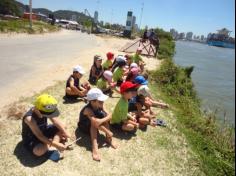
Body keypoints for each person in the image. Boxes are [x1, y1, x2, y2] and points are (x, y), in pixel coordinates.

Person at [22, 94, 72, 159]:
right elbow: (39, 135)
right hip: (32, 138)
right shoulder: (29, 119)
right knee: (38, 151)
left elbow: (55, 121)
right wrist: (56, 145)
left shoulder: (44, 110)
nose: (48, 116)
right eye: (46, 114)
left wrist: (65, 132)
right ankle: (52, 143)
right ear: (37, 109)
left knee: (63, 126)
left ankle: (51, 144)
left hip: (44, 130)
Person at [78, 88, 117, 161]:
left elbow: (110, 115)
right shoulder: (88, 110)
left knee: (104, 117)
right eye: (100, 101)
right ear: (93, 101)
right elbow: (95, 123)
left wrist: (102, 120)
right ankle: (94, 147)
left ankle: (108, 139)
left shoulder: (99, 104)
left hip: (95, 121)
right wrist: (107, 131)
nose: (102, 102)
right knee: (94, 123)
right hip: (84, 126)